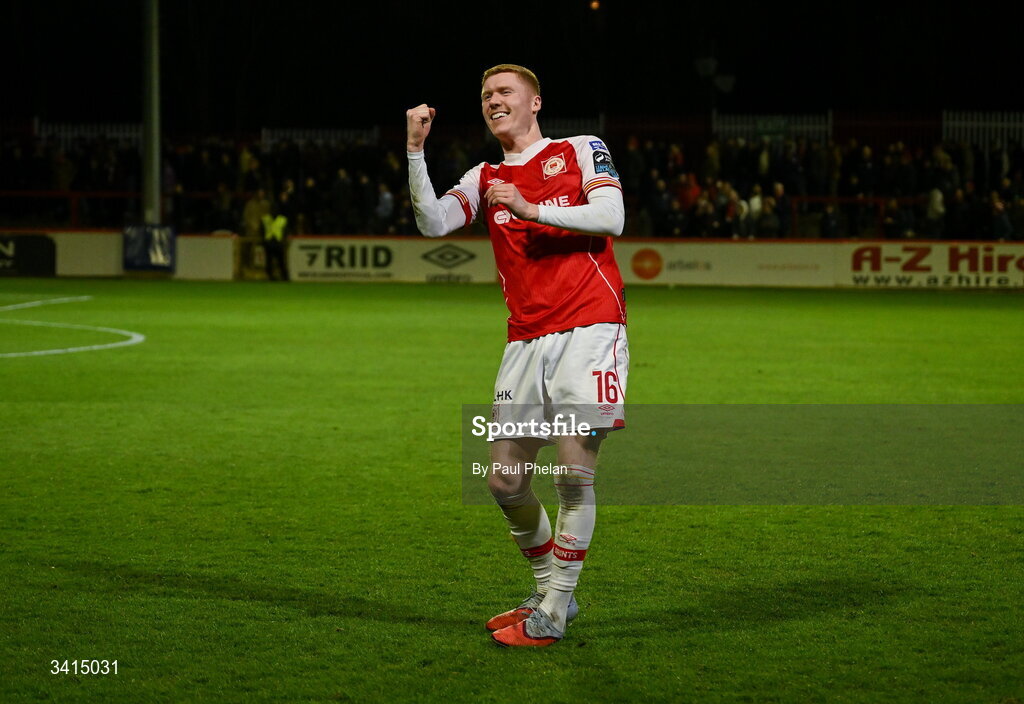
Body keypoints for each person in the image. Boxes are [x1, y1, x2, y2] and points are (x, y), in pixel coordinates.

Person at [406, 64, 628, 648]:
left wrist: (532, 209)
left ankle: (554, 610)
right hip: (524, 338)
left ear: (534, 102)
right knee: (505, 479)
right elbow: (432, 222)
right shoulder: (484, 176)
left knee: (575, 474)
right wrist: (414, 152)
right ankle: (551, 590)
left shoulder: (582, 149)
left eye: (505, 92)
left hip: (589, 327)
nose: (493, 100)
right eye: (485, 95)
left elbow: (612, 218)